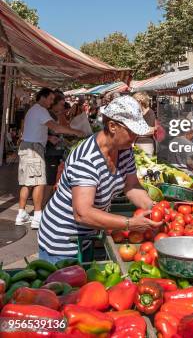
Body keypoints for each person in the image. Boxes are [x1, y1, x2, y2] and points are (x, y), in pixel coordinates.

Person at [37, 96, 162, 263]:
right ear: (112, 126)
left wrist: (153, 208)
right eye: (132, 131)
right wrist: (129, 223)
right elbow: (83, 213)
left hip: (89, 236)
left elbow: (131, 185)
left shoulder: (124, 149)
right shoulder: (86, 159)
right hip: (62, 243)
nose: (135, 137)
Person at [17, 88, 83, 229]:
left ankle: (21, 213)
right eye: (51, 99)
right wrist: (76, 131)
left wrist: (47, 137)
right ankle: (37, 216)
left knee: (27, 183)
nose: (52, 102)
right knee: (40, 182)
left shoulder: (33, 110)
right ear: (43, 97)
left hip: (27, 146)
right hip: (34, 148)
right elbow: (56, 128)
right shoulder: (41, 110)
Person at [44, 91, 72, 203]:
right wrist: (50, 138)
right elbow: (55, 129)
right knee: (50, 180)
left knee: (52, 179)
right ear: (54, 104)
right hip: (50, 151)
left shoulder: (55, 114)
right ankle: (42, 208)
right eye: (61, 104)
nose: (62, 106)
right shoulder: (49, 115)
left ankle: (45, 205)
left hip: (54, 151)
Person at [133, 92, 156, 157]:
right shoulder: (137, 113)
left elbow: (151, 130)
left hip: (146, 144)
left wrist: (135, 132)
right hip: (136, 143)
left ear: (140, 101)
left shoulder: (150, 113)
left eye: (134, 101)